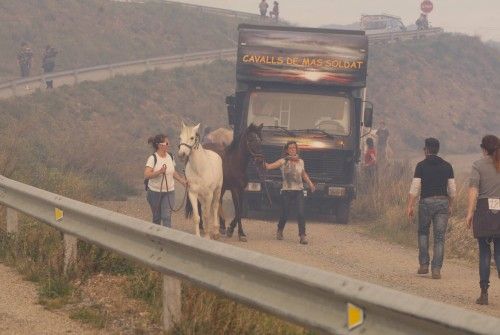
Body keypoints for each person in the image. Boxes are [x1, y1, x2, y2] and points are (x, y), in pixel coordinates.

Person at [407, 138, 456, 279]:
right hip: (442, 203)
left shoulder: (421, 166)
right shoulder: (447, 166)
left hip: (426, 203)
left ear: (427, 149)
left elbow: (415, 188)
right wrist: (450, 204)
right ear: (437, 149)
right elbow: (452, 190)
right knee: (439, 237)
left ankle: (423, 265)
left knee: (423, 233)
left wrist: (410, 205)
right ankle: (436, 269)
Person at [465, 135, 500, 305]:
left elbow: (473, 190)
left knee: (485, 253)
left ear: (484, 148)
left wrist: (470, 213)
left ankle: (484, 293)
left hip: (484, 212)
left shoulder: (478, 165)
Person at [265, 141, 316, 245]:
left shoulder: (301, 161)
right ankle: (280, 230)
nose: (292, 149)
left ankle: (302, 236)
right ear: (287, 150)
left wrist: (310, 184)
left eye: (294, 148)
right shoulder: (283, 161)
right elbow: (269, 166)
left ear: (296, 150)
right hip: (287, 191)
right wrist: (262, 163)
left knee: (301, 213)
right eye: (290, 148)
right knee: (285, 213)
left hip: (299, 191)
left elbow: (303, 174)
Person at [144, 134, 188, 228]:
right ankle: (156, 239)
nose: (169, 145)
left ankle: (167, 240)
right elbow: (147, 174)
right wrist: (159, 172)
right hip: (154, 193)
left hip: (169, 192)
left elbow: (173, 171)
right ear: (160, 145)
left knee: (166, 216)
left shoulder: (170, 156)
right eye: (167, 143)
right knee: (156, 218)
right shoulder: (152, 158)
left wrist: (182, 180)